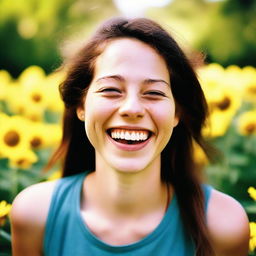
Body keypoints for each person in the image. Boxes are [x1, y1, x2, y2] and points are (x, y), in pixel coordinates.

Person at [10, 17, 249, 256]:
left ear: (177, 112)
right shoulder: (34, 215)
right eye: (111, 90)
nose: (132, 108)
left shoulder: (223, 226)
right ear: (81, 106)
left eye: (154, 93)